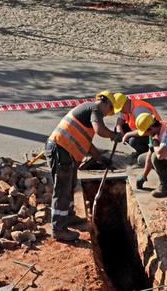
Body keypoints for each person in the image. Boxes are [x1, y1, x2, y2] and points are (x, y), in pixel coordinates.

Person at [45, 91, 119, 241]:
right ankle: (58, 229)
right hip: (60, 151)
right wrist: (113, 135)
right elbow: (100, 130)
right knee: (62, 191)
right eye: (108, 112)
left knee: (70, 186)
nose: (105, 115)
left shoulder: (87, 111)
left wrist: (100, 158)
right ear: (106, 104)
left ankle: (69, 217)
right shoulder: (94, 108)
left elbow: (87, 143)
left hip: (65, 152)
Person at [112, 92, 161, 190]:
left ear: (125, 103)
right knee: (121, 130)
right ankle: (142, 151)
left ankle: (146, 153)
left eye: (121, 109)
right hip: (141, 129)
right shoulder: (127, 107)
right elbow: (120, 120)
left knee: (133, 140)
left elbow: (148, 130)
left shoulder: (139, 110)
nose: (121, 111)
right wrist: (119, 128)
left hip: (154, 133)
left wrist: (127, 134)